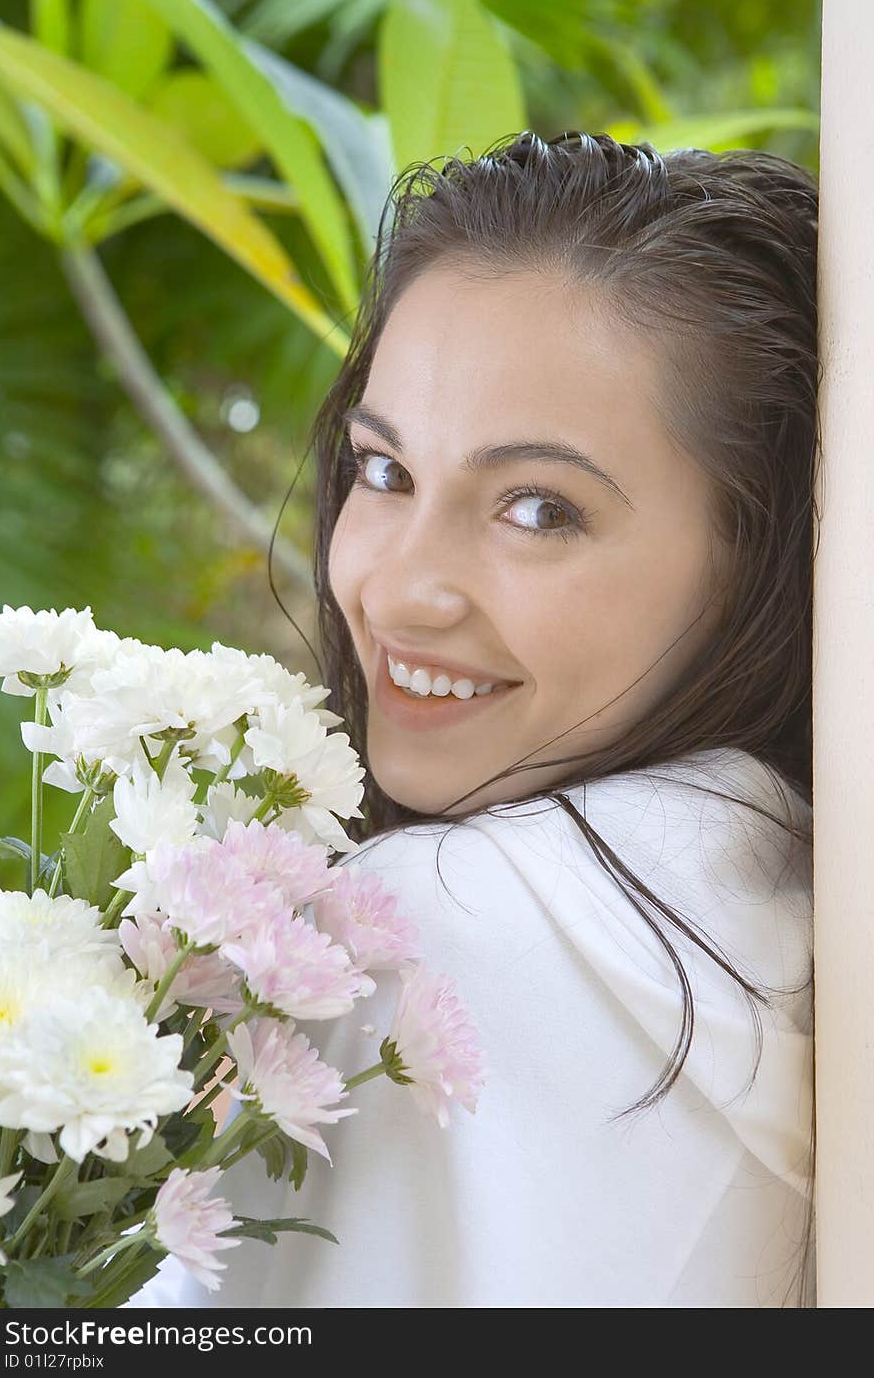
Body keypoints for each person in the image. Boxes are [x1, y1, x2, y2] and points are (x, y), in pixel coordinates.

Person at [130, 130, 819, 1307]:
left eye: (538, 507)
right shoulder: (773, 917)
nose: (396, 589)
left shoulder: (454, 927)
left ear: (754, 560)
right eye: (383, 472)